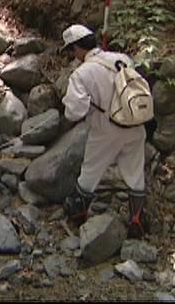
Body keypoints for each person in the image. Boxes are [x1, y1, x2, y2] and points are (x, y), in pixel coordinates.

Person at [60, 24, 149, 238]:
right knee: (135, 173)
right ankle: (137, 220)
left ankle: (78, 214)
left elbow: (74, 112)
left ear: (77, 48)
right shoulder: (122, 58)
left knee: (90, 171)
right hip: (136, 123)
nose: (72, 56)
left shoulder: (81, 74)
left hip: (106, 130)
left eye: (71, 51)